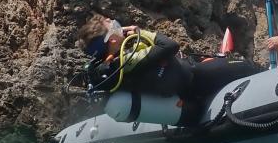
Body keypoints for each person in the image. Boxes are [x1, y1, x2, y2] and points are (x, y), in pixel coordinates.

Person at [76, 15, 260, 102]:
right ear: (113, 38)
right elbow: (170, 45)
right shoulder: (126, 61)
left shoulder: (114, 65)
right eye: (115, 25)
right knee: (248, 67)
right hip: (195, 78)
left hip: (187, 74)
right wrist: (141, 32)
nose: (121, 26)